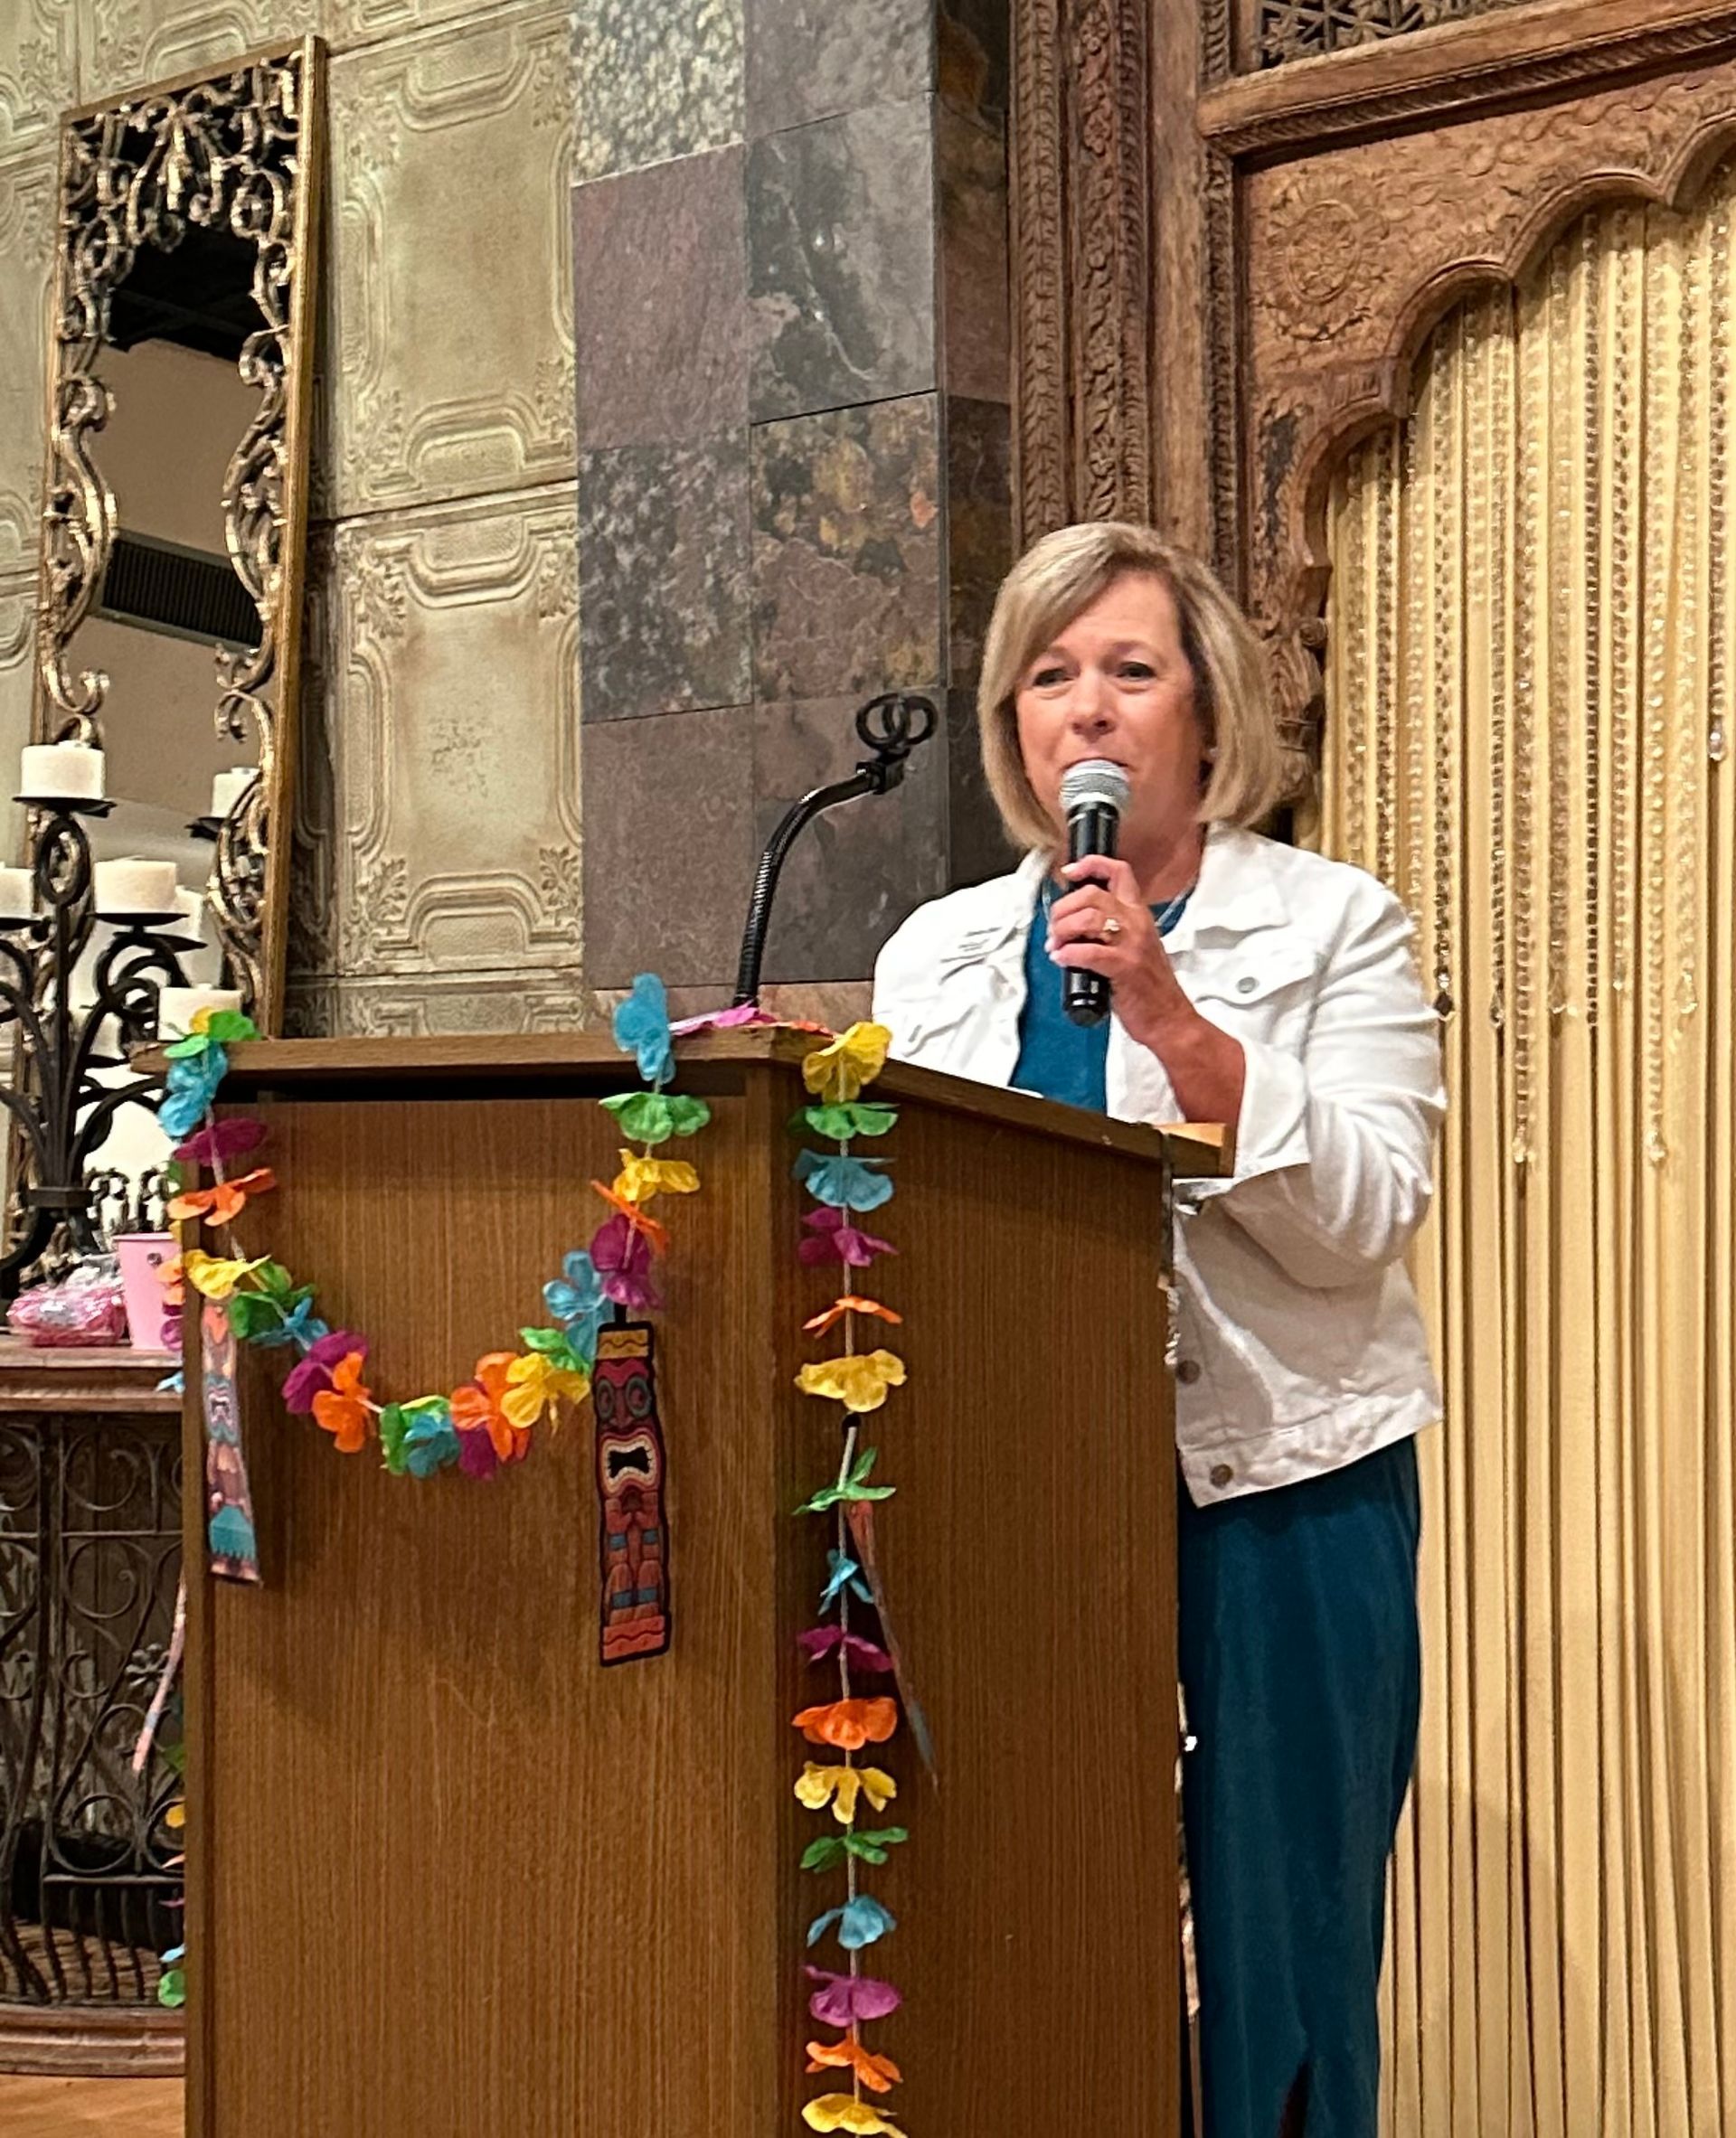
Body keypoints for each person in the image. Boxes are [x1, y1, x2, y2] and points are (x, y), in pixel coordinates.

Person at [870, 521, 1444, 2138]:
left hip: (1284, 1490)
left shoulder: (1337, 923)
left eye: (1131, 670)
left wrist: (1179, 1029)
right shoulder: (942, 953)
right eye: (1050, 678)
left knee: (1284, 1945)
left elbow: (1368, 1212)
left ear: (1205, 713)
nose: (1089, 711)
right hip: (1024, 1495)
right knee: (1033, 1907)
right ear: (1014, 728)